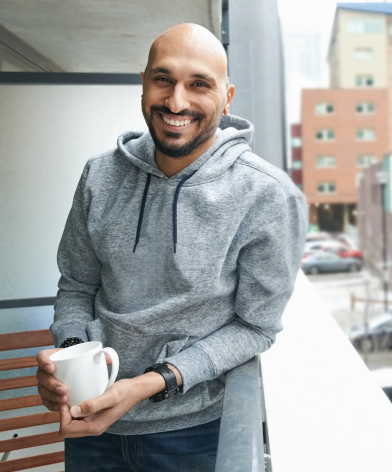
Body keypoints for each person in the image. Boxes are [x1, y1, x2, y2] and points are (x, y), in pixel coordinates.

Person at [33, 23, 307, 471]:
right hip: (92, 427)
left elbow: (256, 327)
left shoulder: (267, 195)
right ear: (144, 83)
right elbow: (77, 287)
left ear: (227, 96)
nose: (176, 102)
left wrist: (147, 385)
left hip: (196, 435)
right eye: (164, 80)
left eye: (199, 84)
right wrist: (69, 358)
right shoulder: (99, 176)